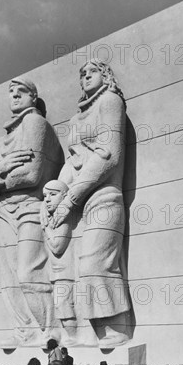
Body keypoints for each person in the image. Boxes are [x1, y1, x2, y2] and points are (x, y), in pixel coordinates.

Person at [53, 59, 131, 346]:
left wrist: (70, 197)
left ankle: (116, 327)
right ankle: (94, 330)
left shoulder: (110, 101)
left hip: (105, 195)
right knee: (78, 271)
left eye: (92, 71)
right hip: (80, 204)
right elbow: (72, 162)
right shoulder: (76, 120)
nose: (85, 76)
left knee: (96, 262)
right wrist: (57, 194)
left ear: (105, 74)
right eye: (81, 74)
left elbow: (109, 155)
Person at [0, 77, 64, 347]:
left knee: (29, 271)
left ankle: (50, 329)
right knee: (8, 279)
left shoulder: (35, 124)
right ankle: (24, 330)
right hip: (4, 212)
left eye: (22, 92)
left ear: (33, 97)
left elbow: (31, 175)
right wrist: (2, 167)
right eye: (11, 92)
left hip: (30, 205)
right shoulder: (0, 144)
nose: (15, 96)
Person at [41, 180, 77, 345]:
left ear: (64, 196)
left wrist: (45, 227)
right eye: (45, 196)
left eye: (52, 194)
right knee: (60, 305)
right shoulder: (54, 219)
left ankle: (73, 337)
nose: (47, 199)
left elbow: (57, 246)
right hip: (57, 272)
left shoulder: (63, 220)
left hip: (65, 272)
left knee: (63, 305)